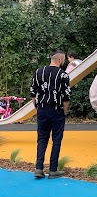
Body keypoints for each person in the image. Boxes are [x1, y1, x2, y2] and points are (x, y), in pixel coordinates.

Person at [30, 49, 71, 179]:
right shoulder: (63, 75)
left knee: (42, 139)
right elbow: (66, 96)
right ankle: (53, 169)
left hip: (42, 108)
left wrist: (37, 107)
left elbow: (33, 93)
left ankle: (39, 167)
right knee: (56, 140)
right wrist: (64, 112)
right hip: (56, 109)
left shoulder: (38, 72)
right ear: (60, 60)